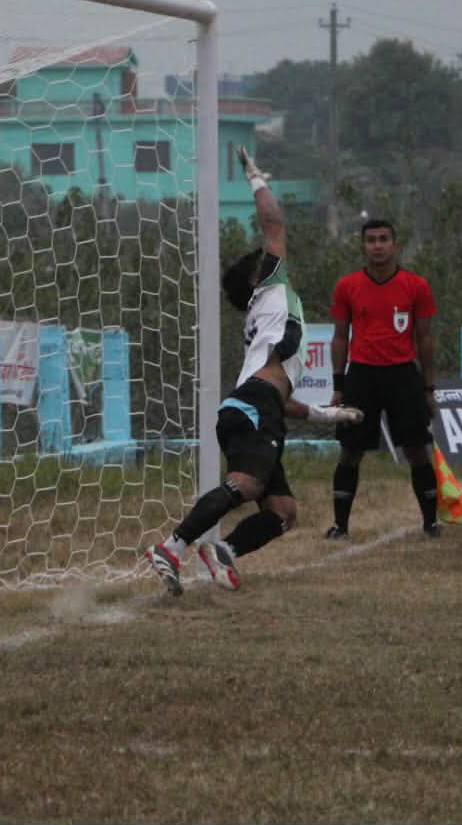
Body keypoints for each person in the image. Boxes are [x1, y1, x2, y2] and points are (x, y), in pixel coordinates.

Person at [145, 147, 361, 595]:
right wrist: (255, 177)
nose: (271, 257)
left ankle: (223, 551)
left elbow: (282, 399)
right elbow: (274, 223)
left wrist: (329, 415)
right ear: (256, 280)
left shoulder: (264, 321)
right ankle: (172, 546)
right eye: (263, 260)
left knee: (282, 511)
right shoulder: (271, 289)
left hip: (257, 407)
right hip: (255, 408)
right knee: (245, 483)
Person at [325, 218, 440, 538]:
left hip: (403, 375)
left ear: (395, 245)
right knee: (350, 451)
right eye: (371, 240)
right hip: (362, 375)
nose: (378, 246)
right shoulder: (347, 286)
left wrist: (429, 388)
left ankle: (430, 523)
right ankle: (340, 526)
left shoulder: (416, 286)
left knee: (416, 449)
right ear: (363, 246)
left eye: (383, 239)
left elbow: (425, 338)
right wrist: (338, 386)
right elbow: (340, 337)